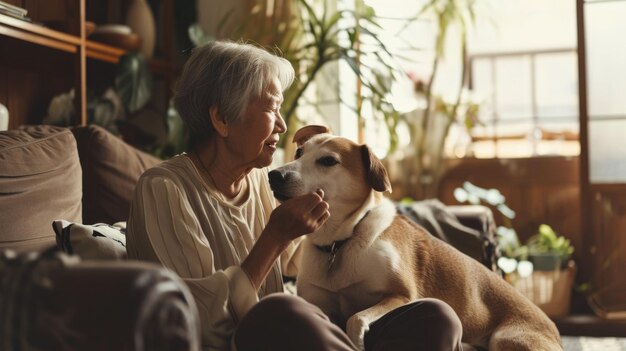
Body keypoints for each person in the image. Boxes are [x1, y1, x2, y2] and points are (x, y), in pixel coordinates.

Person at [126, 39, 464, 351]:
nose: (283, 126)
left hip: (291, 332)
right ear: (222, 118)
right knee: (282, 310)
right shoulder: (164, 189)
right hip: (242, 341)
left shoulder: (261, 181)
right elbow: (202, 321)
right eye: (272, 109)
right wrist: (274, 236)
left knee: (435, 315)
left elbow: (300, 264)